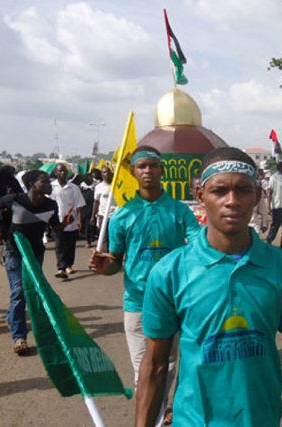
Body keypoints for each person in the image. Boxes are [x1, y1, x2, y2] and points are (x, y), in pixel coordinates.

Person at [135, 147, 282, 427]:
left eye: (243, 190)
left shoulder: (281, 267)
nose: (233, 201)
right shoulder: (170, 272)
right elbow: (156, 364)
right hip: (195, 420)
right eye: (220, 191)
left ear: (256, 195)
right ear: (200, 196)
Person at [89, 146, 200, 427]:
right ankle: (153, 418)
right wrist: (106, 266)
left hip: (175, 302)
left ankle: (160, 413)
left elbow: (198, 244)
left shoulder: (180, 211)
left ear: (162, 170)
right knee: (144, 370)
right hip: (138, 303)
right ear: (134, 172)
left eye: (153, 166)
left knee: (170, 365)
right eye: (141, 167)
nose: (147, 171)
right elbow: (116, 260)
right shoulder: (123, 216)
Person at [0, 170, 73, 354]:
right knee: (19, 291)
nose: (50, 184)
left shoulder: (51, 204)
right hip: (14, 252)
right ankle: (19, 337)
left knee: (25, 291)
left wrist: (64, 224)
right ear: (32, 184)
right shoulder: (15, 199)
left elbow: (54, 227)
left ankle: (11, 317)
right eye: (45, 181)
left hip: (35, 254)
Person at [50, 164, 86, 279]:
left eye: (64, 171)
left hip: (71, 221)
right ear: (55, 173)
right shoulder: (51, 187)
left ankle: (69, 265)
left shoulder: (73, 188)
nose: (63, 173)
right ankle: (61, 268)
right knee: (59, 244)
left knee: (70, 245)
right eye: (60, 171)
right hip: (57, 221)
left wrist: (79, 220)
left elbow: (79, 205)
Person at [265, 161, 282, 251]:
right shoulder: (274, 178)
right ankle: (268, 242)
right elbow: (269, 192)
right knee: (275, 226)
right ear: (280, 168)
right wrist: (268, 206)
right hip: (277, 206)